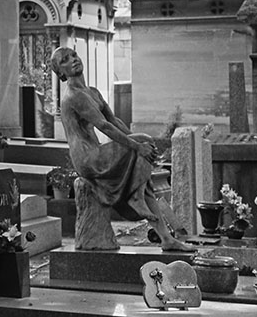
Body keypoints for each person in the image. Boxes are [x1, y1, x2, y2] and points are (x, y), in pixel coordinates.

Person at [49, 46, 195, 252]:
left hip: (97, 152)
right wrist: (137, 146)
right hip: (87, 159)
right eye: (65, 60)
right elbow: (104, 126)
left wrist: (139, 144)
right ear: (61, 73)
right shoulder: (74, 96)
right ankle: (138, 202)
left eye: (74, 55)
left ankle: (166, 238)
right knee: (140, 147)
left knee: (144, 180)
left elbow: (114, 120)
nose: (73, 59)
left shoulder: (92, 92)